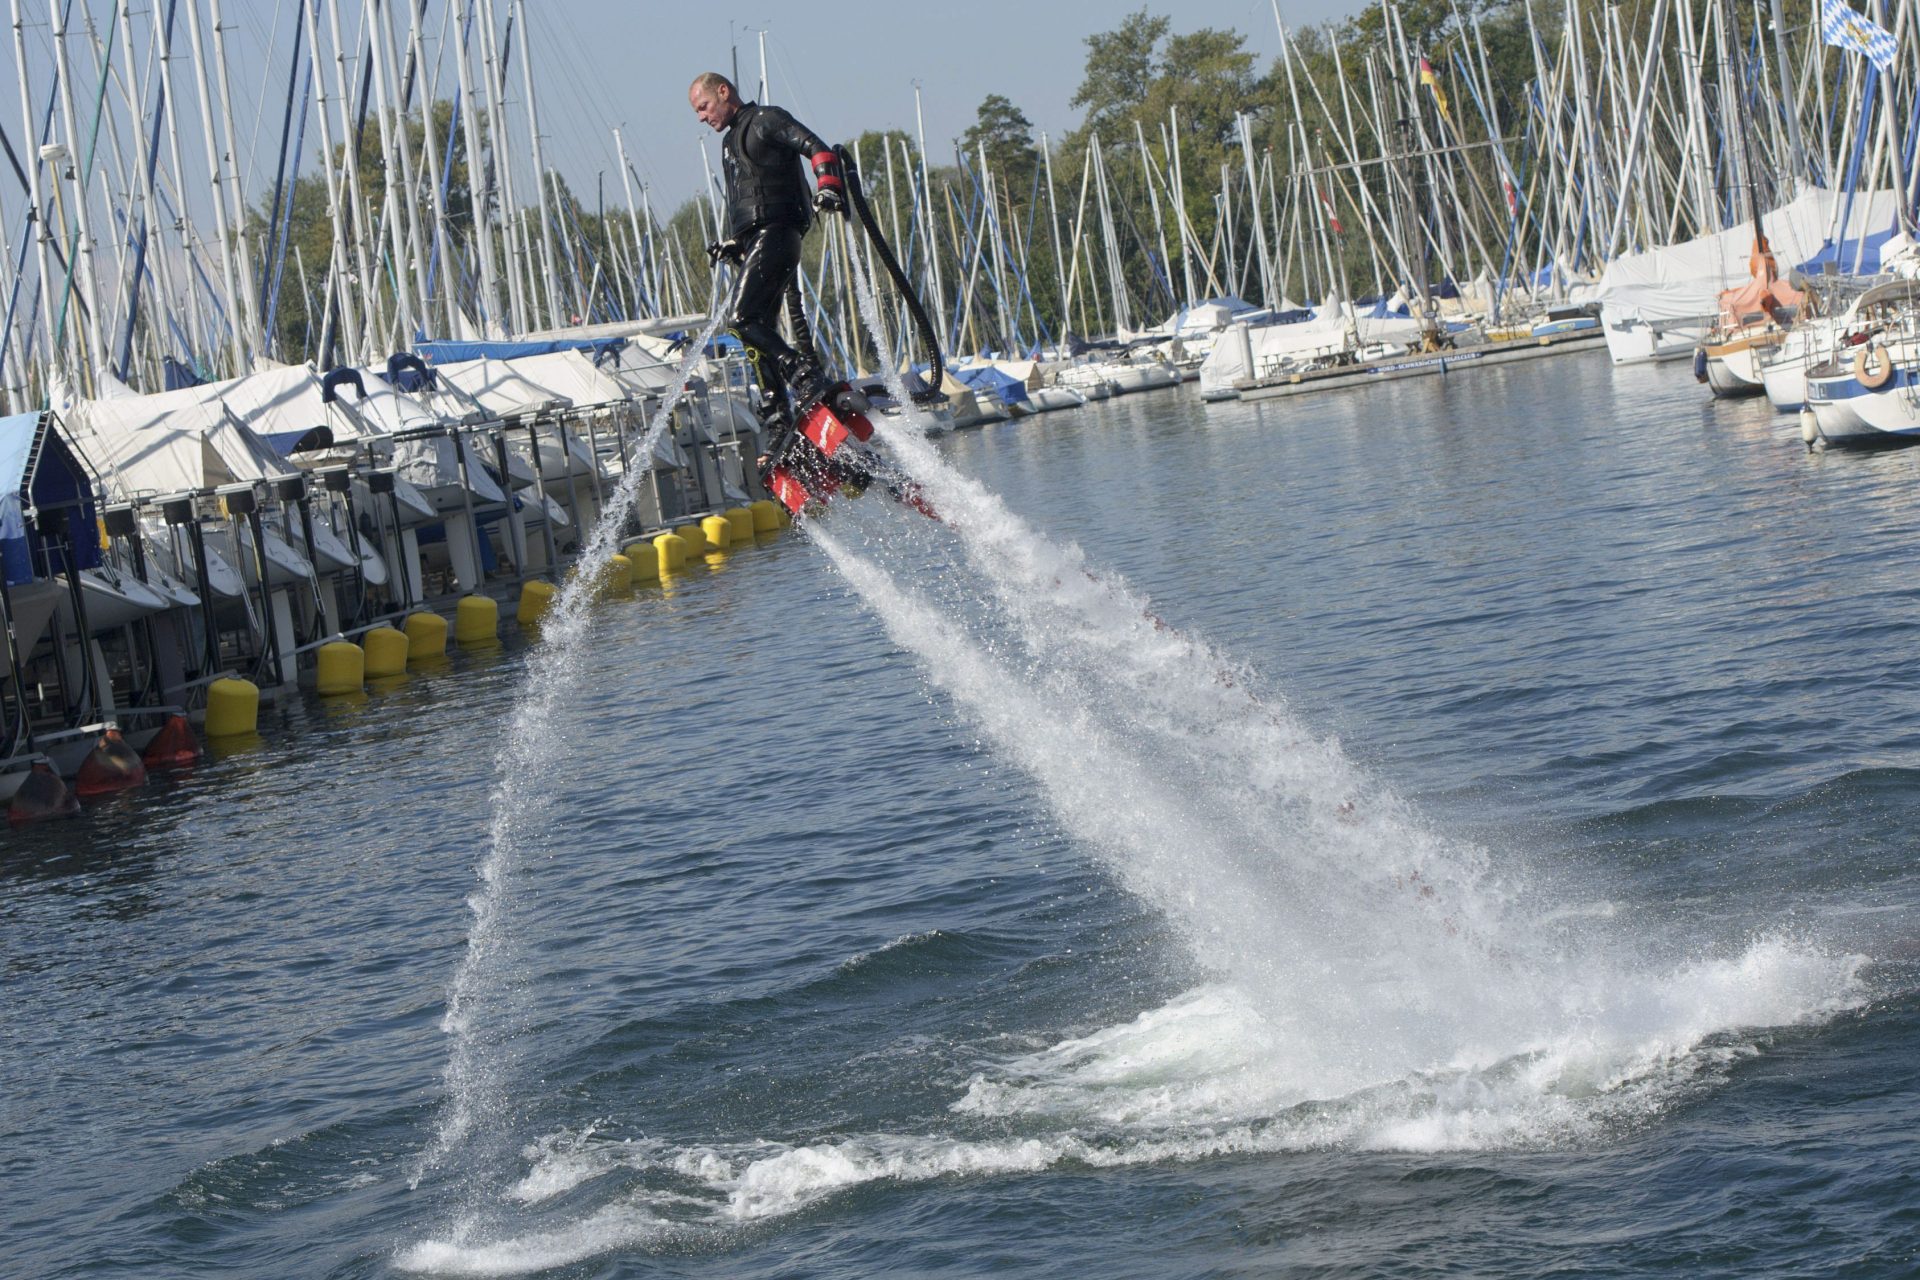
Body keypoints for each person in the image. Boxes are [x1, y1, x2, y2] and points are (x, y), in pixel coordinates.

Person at [688, 72, 855, 458]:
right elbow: (750, 199)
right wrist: (734, 242)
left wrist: (828, 185)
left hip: (778, 235)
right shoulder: (731, 140)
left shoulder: (766, 119)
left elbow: (818, 148)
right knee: (754, 332)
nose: (701, 117)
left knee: (741, 318)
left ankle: (800, 371)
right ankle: (779, 420)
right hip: (757, 240)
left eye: (703, 107)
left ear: (724, 92)